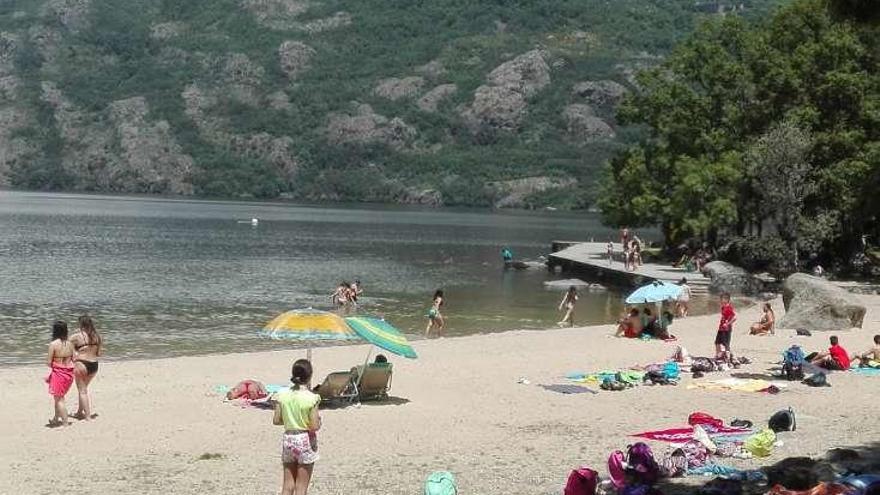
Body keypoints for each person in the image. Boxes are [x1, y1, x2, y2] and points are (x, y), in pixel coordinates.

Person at [274, 359, 322, 495]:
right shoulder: (312, 398)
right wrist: (318, 422)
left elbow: (277, 420)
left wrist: (291, 418)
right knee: (301, 488)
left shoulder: (282, 395)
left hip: (289, 438)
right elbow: (313, 425)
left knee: (287, 486)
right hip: (304, 439)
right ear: (310, 376)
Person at [70, 315, 102, 420]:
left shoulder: (76, 336)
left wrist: (75, 354)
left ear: (81, 324)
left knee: (82, 391)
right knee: (83, 389)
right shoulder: (97, 336)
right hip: (94, 365)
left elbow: (65, 347)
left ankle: (87, 416)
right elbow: (99, 353)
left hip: (81, 364)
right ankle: (79, 412)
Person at [46, 320, 75, 427]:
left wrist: (56, 363)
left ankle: (65, 423)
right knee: (58, 398)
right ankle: (55, 418)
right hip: (69, 374)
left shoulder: (53, 344)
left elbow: (48, 363)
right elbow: (74, 359)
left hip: (58, 374)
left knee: (59, 399)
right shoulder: (70, 344)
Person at [715, 293, 736, 362]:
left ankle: (729, 357)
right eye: (720, 298)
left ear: (727, 300)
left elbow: (734, 317)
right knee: (717, 342)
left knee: (726, 344)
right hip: (721, 328)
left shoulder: (729, 308)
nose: (720, 300)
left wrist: (727, 324)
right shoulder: (723, 307)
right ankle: (719, 356)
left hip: (726, 329)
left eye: (722, 299)